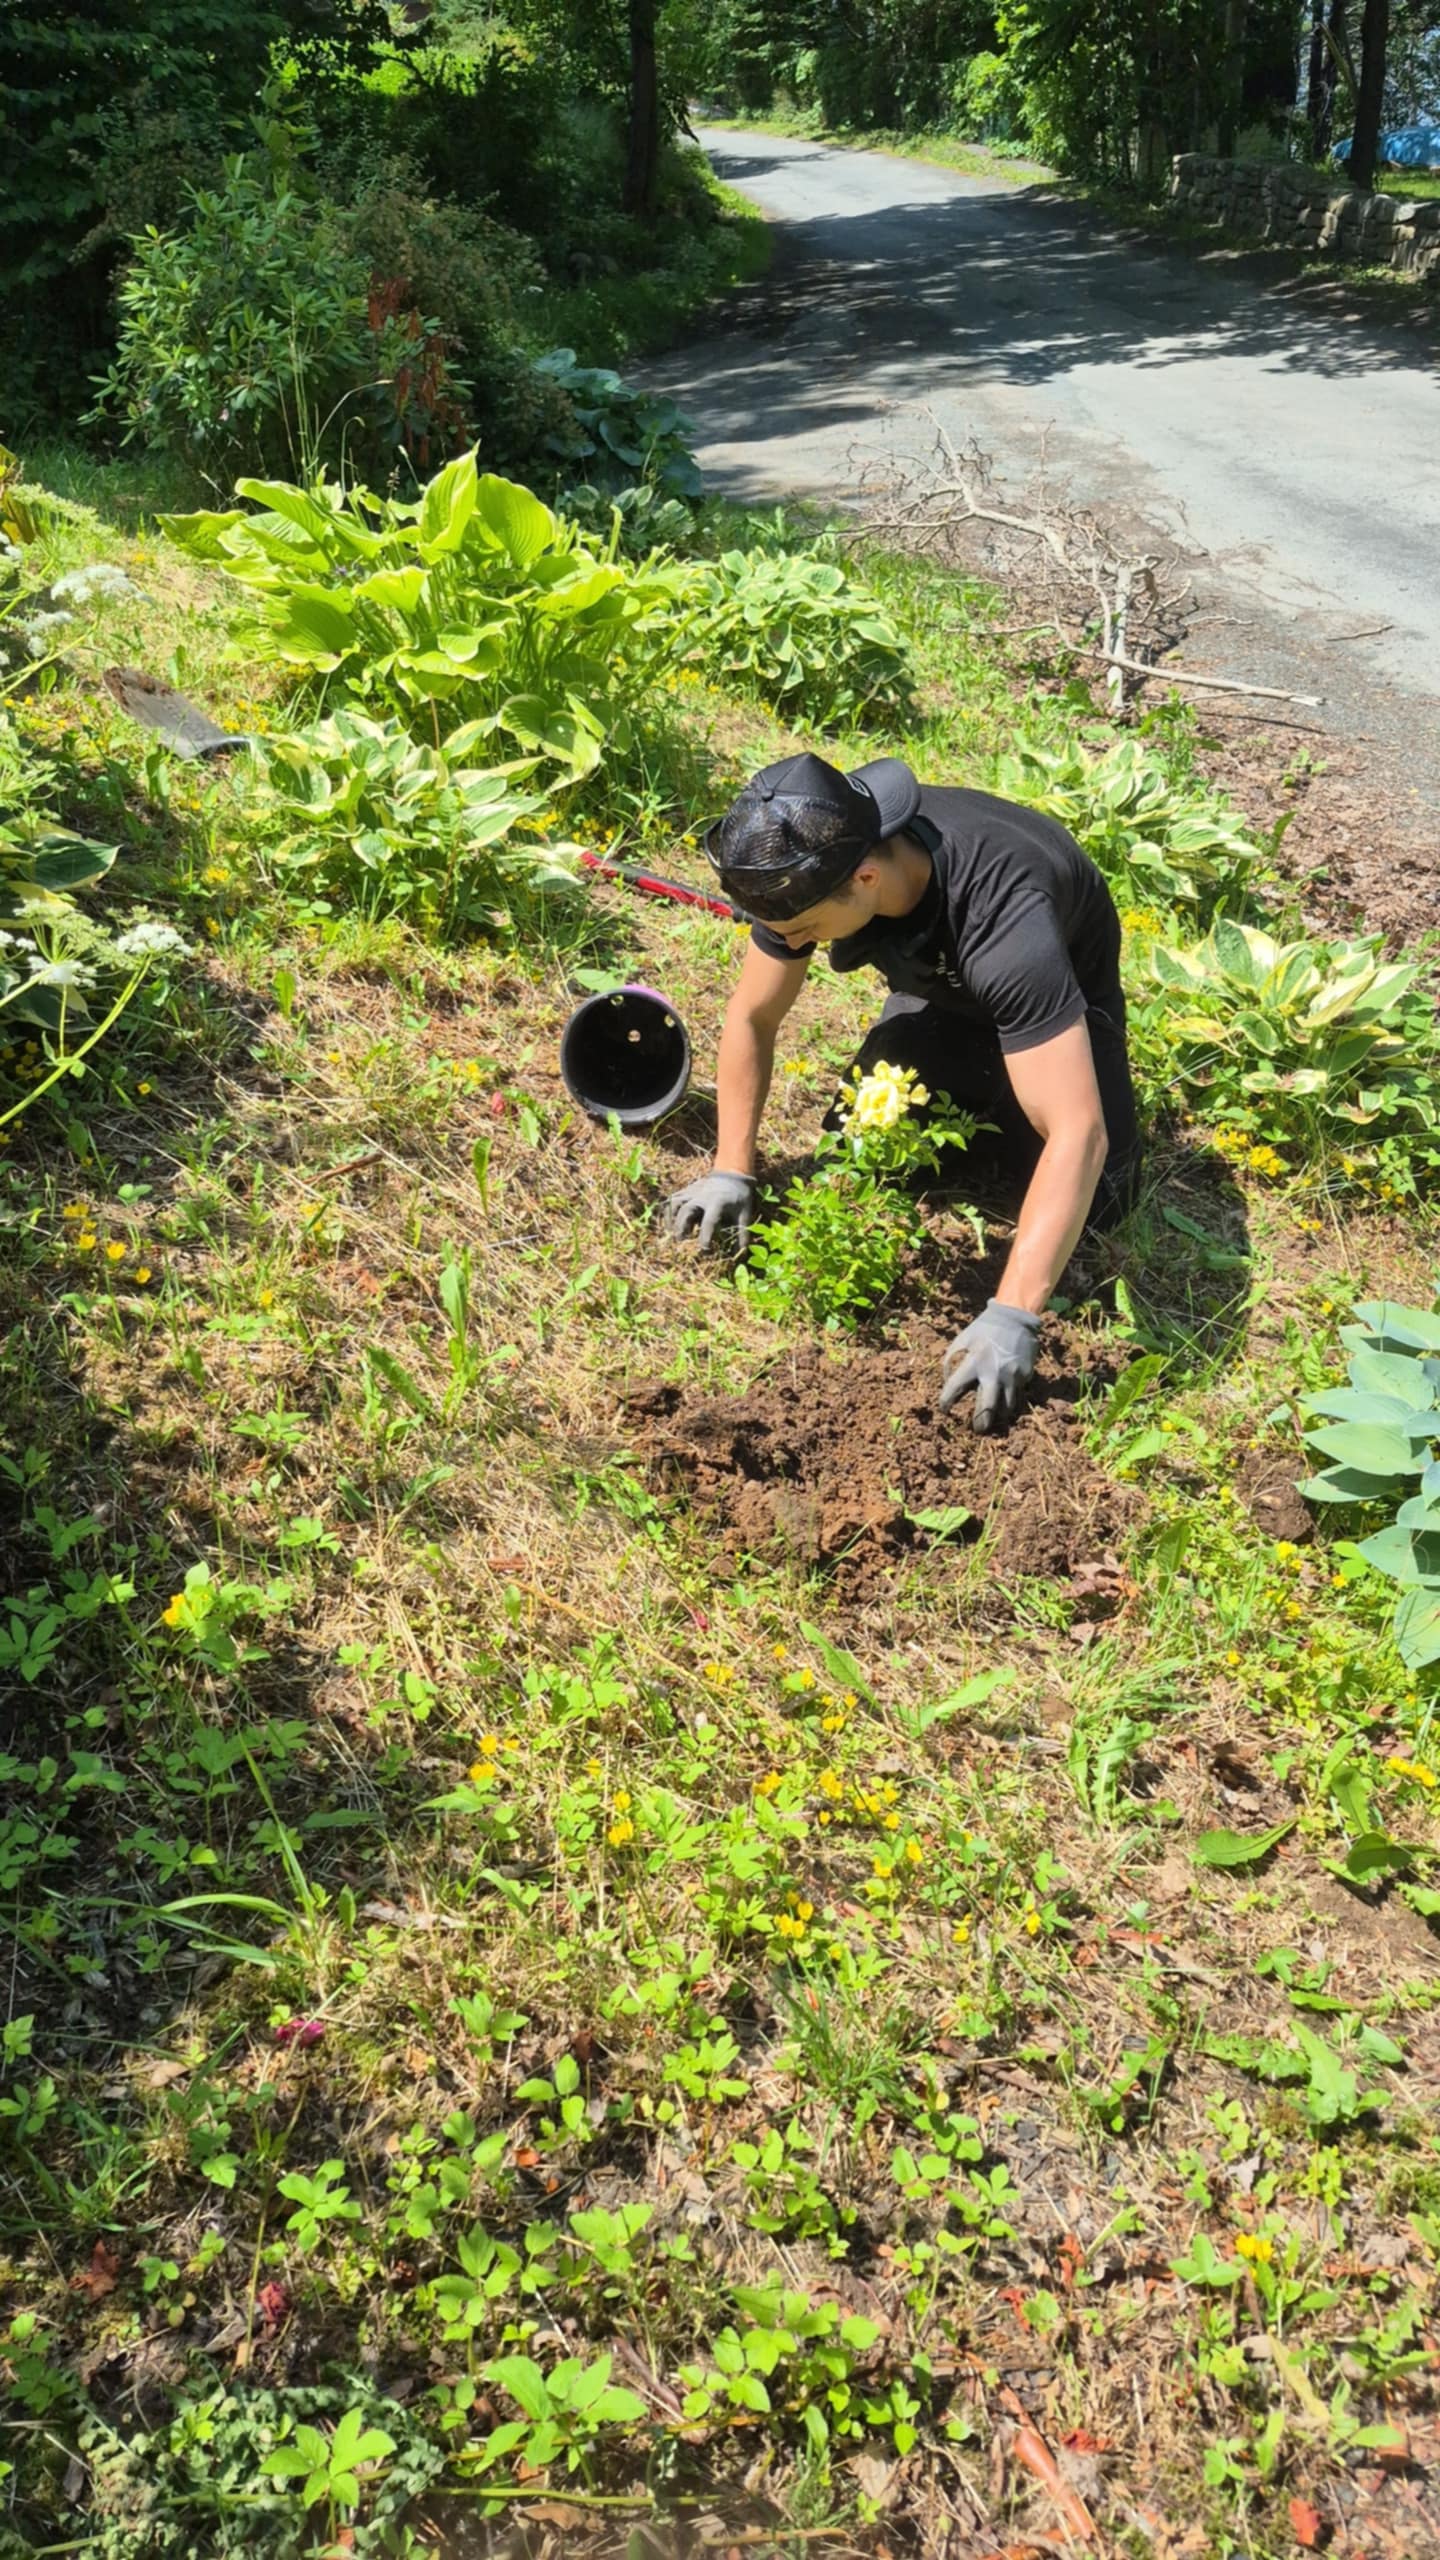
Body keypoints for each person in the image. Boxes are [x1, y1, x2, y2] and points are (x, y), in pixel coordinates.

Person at [663, 750, 1141, 1432]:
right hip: (948, 1001)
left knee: (1099, 1198)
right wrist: (730, 1168)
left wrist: (1013, 1314)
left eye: (800, 930)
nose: (786, 940)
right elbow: (752, 1014)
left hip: (1060, 1011)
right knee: (865, 1147)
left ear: (865, 877)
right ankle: (944, 1045)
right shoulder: (811, 850)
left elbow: (1077, 1130)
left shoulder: (1005, 920)